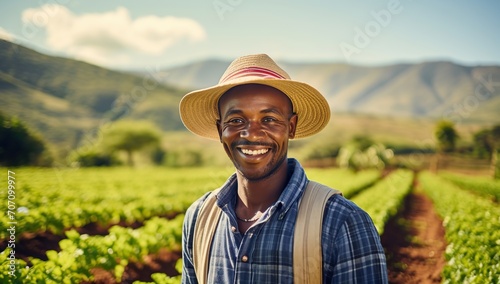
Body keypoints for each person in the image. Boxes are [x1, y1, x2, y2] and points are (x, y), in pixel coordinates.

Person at [179, 54, 387, 283]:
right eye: (236, 121)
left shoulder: (342, 222)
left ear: (291, 127)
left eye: (269, 119)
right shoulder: (199, 217)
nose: (252, 134)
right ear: (221, 130)